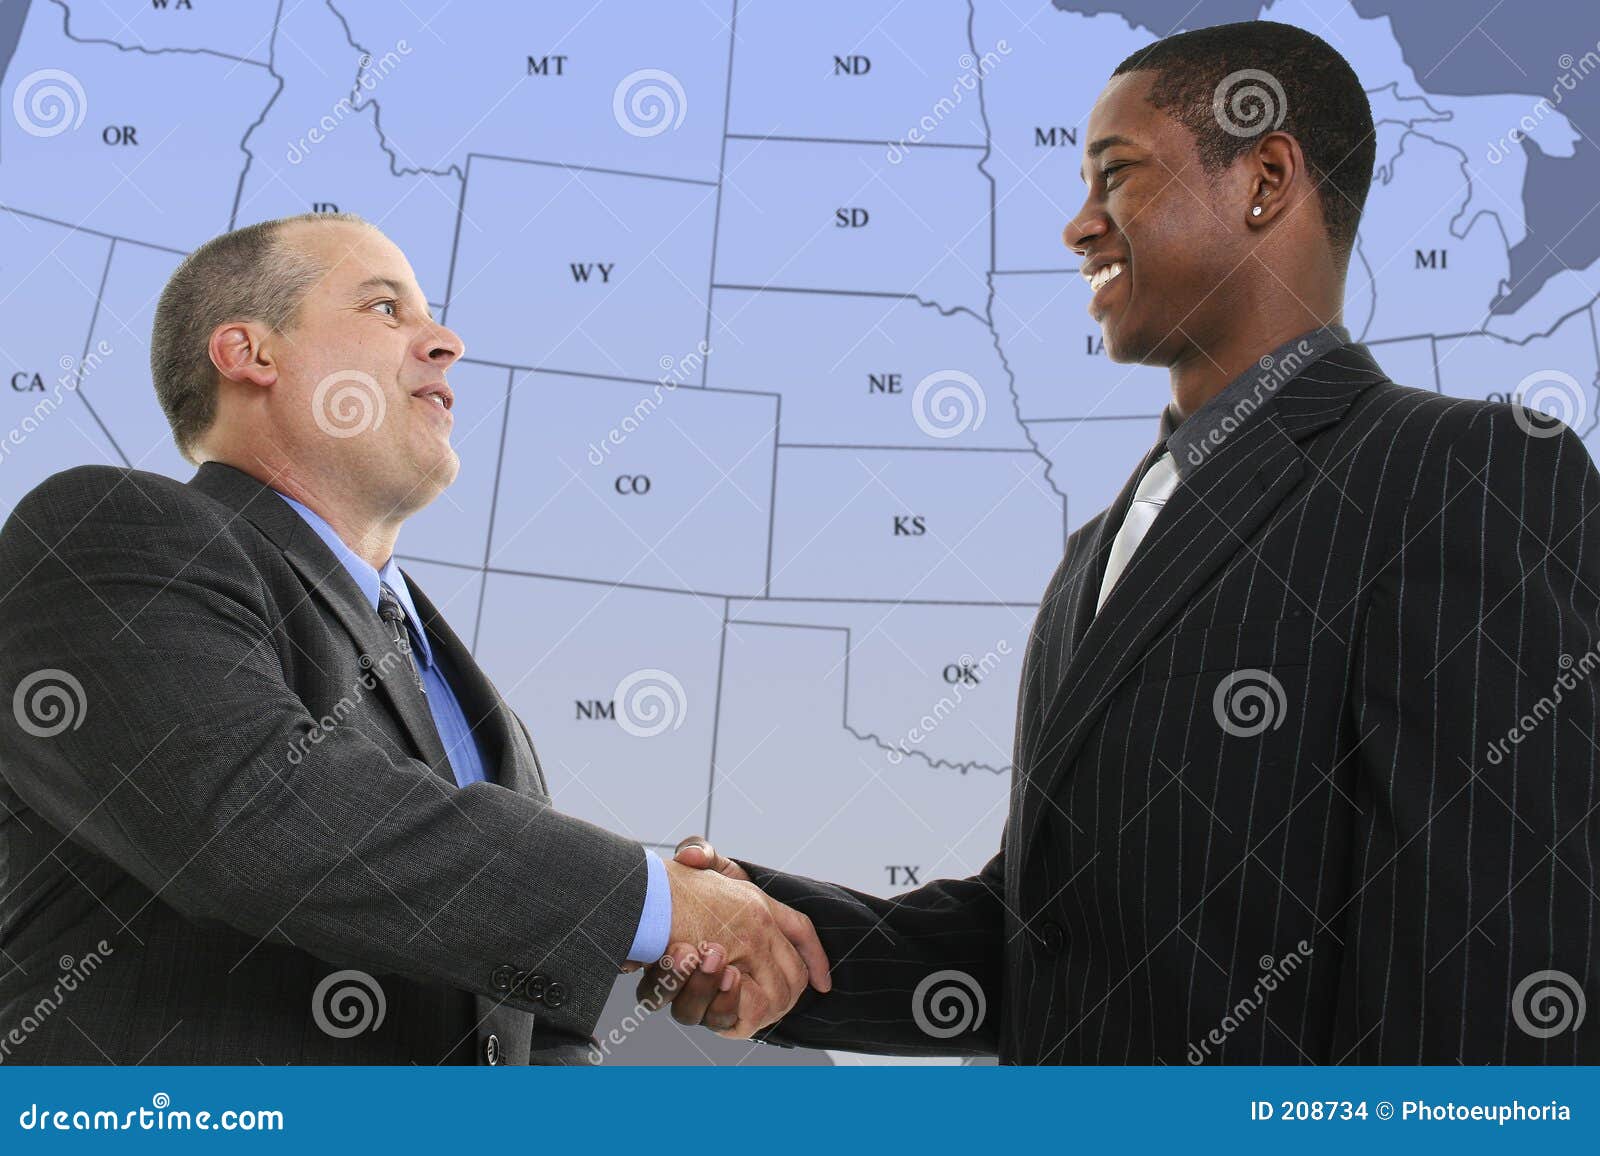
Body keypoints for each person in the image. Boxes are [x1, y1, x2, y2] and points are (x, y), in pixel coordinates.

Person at [648, 20, 1600, 1063]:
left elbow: (1489, 944)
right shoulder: (1096, 555)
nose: (1078, 227)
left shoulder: (1455, 472)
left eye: (1118, 175)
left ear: (1265, 180)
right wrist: (756, 931)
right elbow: (1048, 937)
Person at [0, 212, 827, 1064]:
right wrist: (656, 903)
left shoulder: (470, 700)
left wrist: (700, 929)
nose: (445, 343)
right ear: (250, 353)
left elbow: (529, 1027)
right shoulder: (109, 535)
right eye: (385, 308)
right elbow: (254, 813)